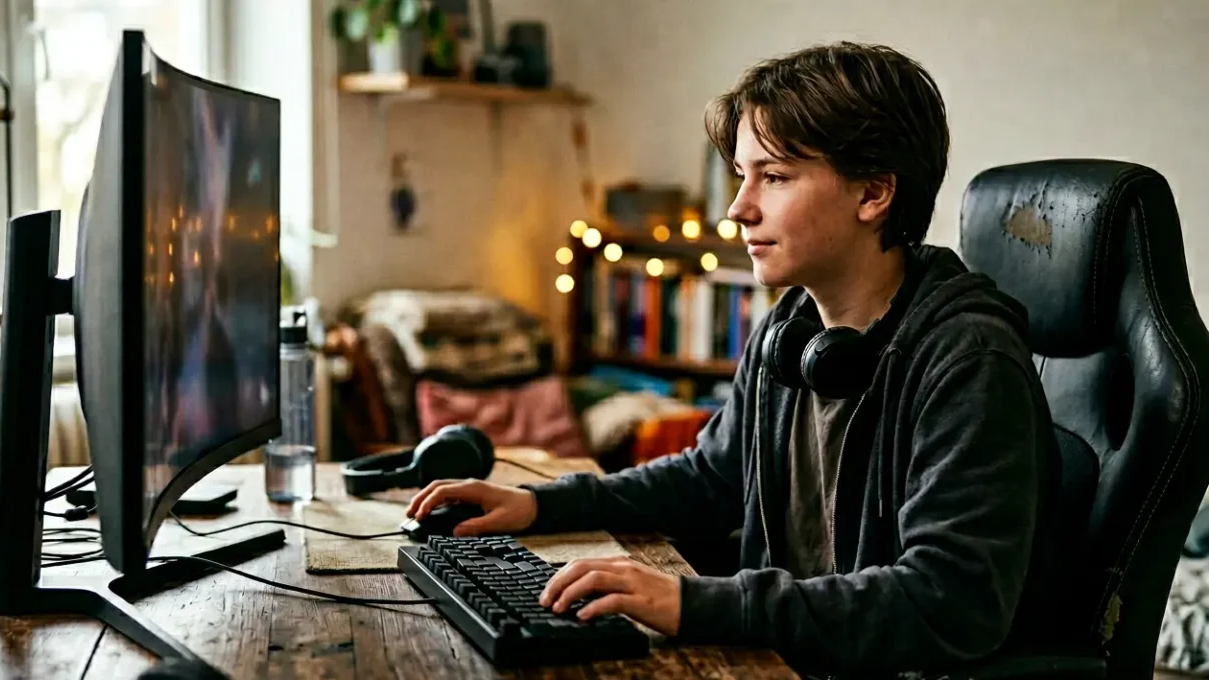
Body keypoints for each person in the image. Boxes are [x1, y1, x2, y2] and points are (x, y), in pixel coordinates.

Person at [405, 41, 1063, 676]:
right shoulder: (793, 330)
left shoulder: (967, 360)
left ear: (873, 194)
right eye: (742, 176)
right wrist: (541, 507)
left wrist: (690, 604)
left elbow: (952, 605)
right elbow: (712, 479)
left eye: (773, 177)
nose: (738, 209)